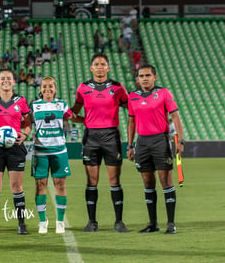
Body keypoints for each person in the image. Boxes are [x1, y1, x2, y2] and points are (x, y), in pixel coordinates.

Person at [71, 52, 129, 233]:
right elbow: (75, 112)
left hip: (111, 136)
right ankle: (92, 222)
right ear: (91, 67)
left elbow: (131, 108)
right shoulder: (83, 88)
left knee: (114, 180)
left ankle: (119, 222)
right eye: (96, 64)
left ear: (108, 67)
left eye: (103, 64)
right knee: (92, 180)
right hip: (91, 138)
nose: (100, 67)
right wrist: (79, 118)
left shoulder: (118, 88)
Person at [127, 64, 184, 234]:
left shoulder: (164, 93)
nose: (144, 78)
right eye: (141, 76)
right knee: (147, 182)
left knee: (165, 180)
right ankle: (152, 224)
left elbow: (175, 116)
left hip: (160, 140)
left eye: (147, 75)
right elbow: (131, 121)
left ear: (154, 77)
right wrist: (130, 145)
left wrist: (180, 141)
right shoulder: (133, 96)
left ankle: (171, 223)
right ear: (137, 78)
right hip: (142, 142)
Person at [0, 69, 32, 235]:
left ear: (14, 82)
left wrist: (24, 135)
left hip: (15, 147)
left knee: (17, 186)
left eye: (9, 78)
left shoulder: (21, 101)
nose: (5, 81)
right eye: (2, 78)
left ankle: (22, 224)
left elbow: (28, 123)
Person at [30, 76, 80, 234]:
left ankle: (60, 221)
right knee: (40, 185)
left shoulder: (62, 105)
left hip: (59, 151)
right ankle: (42, 221)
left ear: (55, 88)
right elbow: (24, 123)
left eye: (50, 86)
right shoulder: (34, 106)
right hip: (40, 152)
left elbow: (73, 117)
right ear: (40, 89)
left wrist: (89, 120)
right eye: (44, 86)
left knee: (60, 184)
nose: (47, 89)